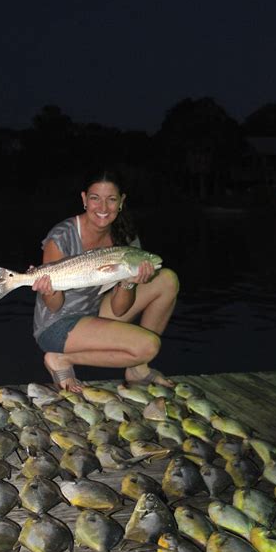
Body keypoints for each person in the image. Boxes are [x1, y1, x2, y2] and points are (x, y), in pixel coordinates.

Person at [32, 168, 179, 392]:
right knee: (149, 346)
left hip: (95, 310)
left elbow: (120, 310)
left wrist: (128, 282)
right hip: (58, 322)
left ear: (121, 201)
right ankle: (62, 358)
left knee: (167, 279)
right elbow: (53, 305)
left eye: (111, 199)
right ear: (84, 199)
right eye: (95, 198)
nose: (103, 208)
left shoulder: (126, 238)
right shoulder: (61, 237)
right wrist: (48, 290)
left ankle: (137, 369)